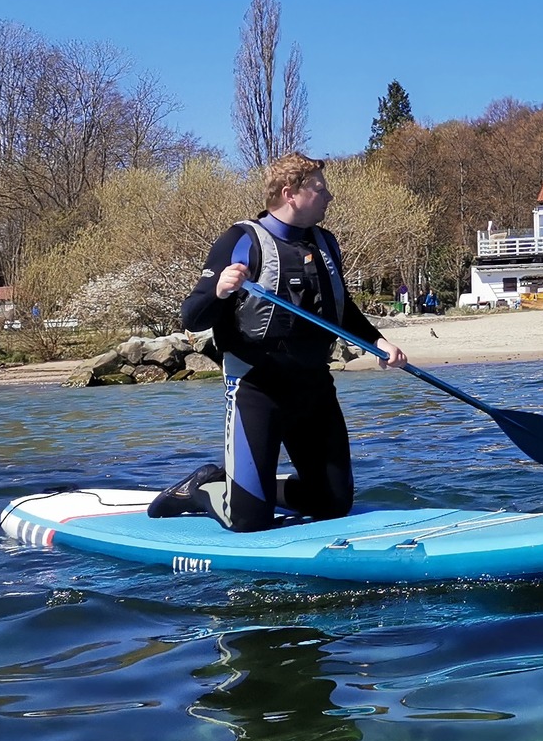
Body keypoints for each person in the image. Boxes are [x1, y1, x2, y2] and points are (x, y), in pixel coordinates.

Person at [151, 151, 407, 532]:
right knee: (249, 521)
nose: (329, 196)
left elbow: (341, 306)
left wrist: (378, 341)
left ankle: (257, 489)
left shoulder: (326, 244)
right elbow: (193, 315)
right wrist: (219, 292)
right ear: (290, 194)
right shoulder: (240, 241)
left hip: (314, 388)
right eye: (321, 189)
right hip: (257, 389)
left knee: (334, 505)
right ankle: (203, 489)